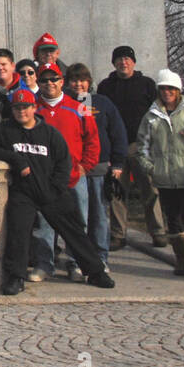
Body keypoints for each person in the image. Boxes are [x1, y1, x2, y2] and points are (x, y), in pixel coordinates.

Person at [0, 89, 115, 296]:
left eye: (25, 107)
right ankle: (16, 277)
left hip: (51, 191)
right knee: (18, 231)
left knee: (74, 230)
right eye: (17, 108)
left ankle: (96, 271)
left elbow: (64, 162)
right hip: (23, 191)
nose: (21, 112)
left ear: (34, 108)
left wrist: (57, 188)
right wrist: (15, 159)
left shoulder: (50, 133)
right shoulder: (4, 130)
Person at [137, 69, 184, 277]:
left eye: (171, 89)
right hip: (164, 179)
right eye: (163, 89)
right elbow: (142, 147)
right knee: (173, 221)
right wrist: (151, 168)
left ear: (178, 90)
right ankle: (181, 260)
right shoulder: (151, 116)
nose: (167, 92)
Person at [29, 62, 100, 282]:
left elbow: (93, 140)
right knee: (43, 223)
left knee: (78, 221)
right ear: (38, 83)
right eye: (44, 80)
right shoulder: (33, 109)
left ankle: (77, 263)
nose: (49, 84)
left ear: (62, 82)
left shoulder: (79, 107)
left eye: (54, 79)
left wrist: (84, 166)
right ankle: (44, 264)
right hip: (44, 178)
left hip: (72, 177)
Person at [97, 45, 165, 249]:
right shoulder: (106, 86)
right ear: (113, 63)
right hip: (115, 147)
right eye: (119, 59)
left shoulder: (146, 84)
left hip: (141, 145)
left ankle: (158, 231)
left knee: (150, 189)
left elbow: (158, 114)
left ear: (134, 62)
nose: (123, 62)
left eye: (127, 58)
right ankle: (118, 234)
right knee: (117, 192)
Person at [65, 62, 127, 275]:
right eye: (74, 80)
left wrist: (118, 163)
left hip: (100, 168)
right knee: (77, 217)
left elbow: (117, 133)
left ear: (89, 82)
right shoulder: (64, 103)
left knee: (100, 217)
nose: (78, 84)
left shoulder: (103, 103)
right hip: (74, 170)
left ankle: (100, 257)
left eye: (82, 80)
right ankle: (75, 259)